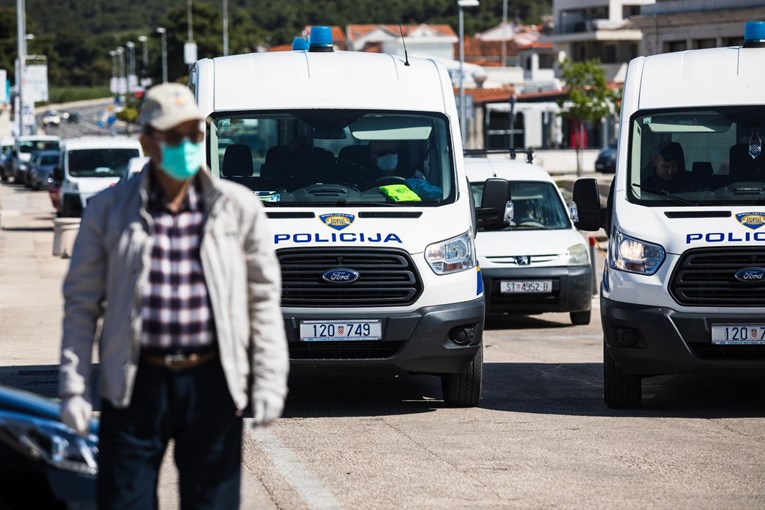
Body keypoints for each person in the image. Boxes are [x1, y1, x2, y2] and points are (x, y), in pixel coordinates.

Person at [58, 83, 289, 509]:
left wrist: (271, 378)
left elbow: (262, 299)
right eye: (173, 136)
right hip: (133, 384)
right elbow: (81, 305)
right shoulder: (108, 210)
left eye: (194, 135)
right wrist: (73, 388)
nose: (186, 146)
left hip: (213, 384)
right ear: (146, 140)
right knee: (125, 501)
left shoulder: (238, 207)